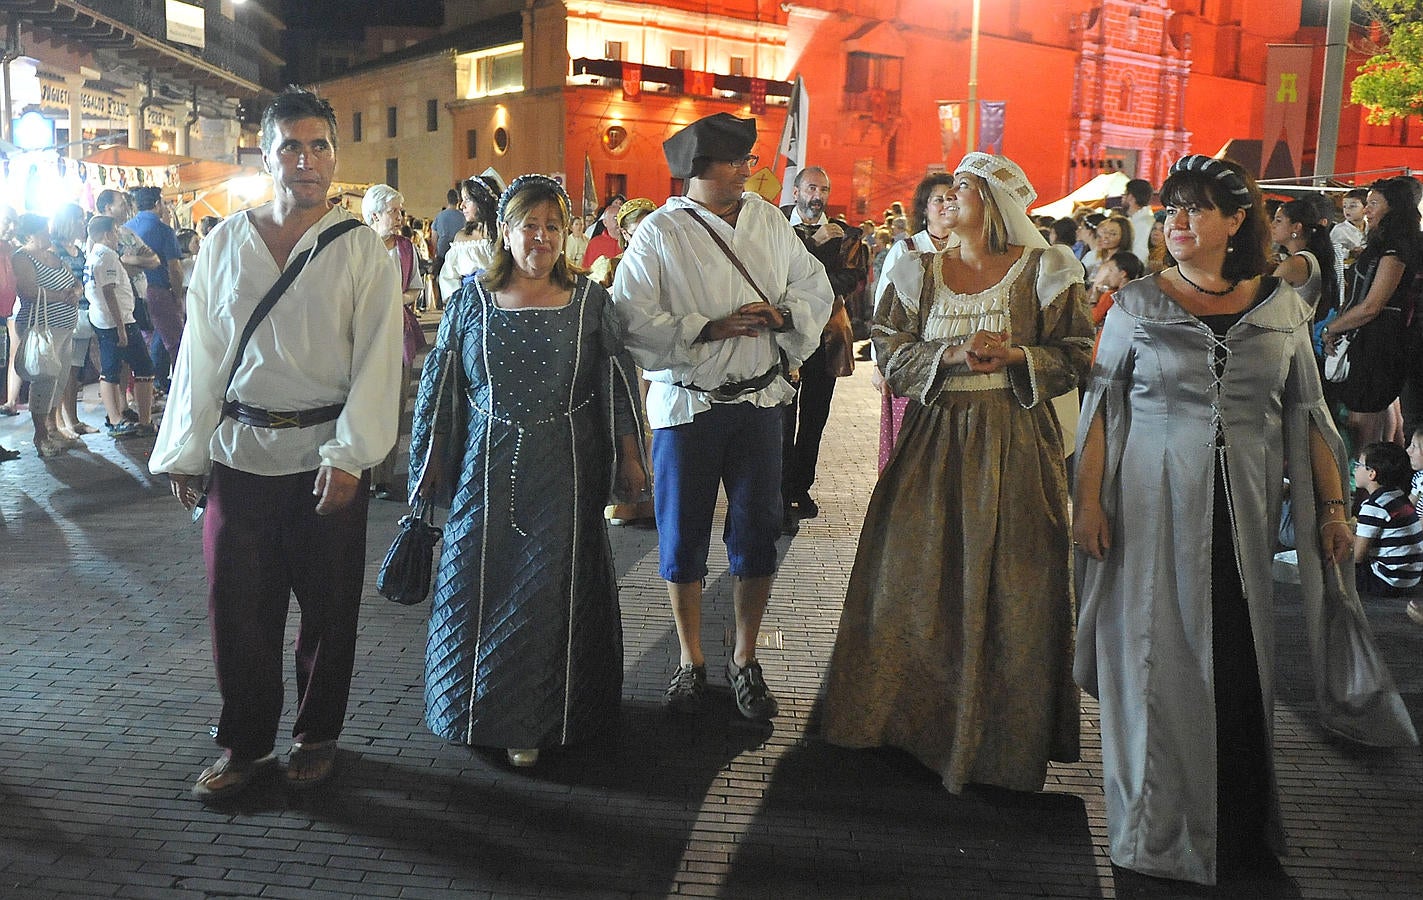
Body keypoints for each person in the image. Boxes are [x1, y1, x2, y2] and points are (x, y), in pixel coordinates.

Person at [1073, 155, 1416, 885]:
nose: (1176, 223)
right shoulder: (1135, 303)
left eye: (1195, 209)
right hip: (1146, 508)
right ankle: (1155, 825)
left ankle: (1233, 820)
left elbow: (1307, 412)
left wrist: (1331, 508)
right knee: (1155, 659)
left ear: (1236, 222)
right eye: (1169, 210)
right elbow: (1100, 409)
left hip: (1244, 513)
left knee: (1235, 657)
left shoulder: (1279, 306)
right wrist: (1086, 502)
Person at [150, 87, 402, 801]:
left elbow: (378, 360)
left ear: (334, 155)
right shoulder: (227, 240)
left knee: (327, 608)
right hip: (238, 452)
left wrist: (353, 454)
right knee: (238, 608)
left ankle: (316, 734)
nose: (306, 160)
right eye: (290, 146)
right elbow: (200, 353)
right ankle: (245, 742)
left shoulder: (360, 250)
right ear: (265, 154)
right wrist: (186, 449)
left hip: (324, 456)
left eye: (318, 145)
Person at [821, 152, 1091, 792]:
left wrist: (1015, 353)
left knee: (1011, 582)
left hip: (1015, 442)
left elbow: (1078, 352)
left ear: (996, 204)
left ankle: (998, 741)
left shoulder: (1045, 269)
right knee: (913, 573)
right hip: (933, 441)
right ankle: (904, 721)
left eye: (966, 188)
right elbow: (886, 345)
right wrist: (950, 354)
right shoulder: (917, 270)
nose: (951, 195)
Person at [410, 174, 647, 768]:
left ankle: (540, 721)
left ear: (565, 234)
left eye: (552, 227)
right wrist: (433, 458)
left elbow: (615, 387)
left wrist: (630, 455)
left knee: (548, 592)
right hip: (483, 470)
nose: (540, 239)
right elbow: (443, 385)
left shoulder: (592, 302)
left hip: (566, 470)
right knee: (476, 581)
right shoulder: (471, 299)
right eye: (529, 226)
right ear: (505, 231)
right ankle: (472, 708)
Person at [612, 112, 833, 721]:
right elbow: (630, 317)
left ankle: (744, 656)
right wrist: (707, 328)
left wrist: (783, 317)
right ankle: (690, 661)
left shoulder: (766, 220)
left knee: (758, 531)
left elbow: (814, 286)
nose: (749, 170)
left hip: (761, 403)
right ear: (701, 168)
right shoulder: (658, 233)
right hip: (689, 408)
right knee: (682, 534)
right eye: (738, 161)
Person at [779, 166, 866, 531]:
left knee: (814, 418)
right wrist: (813, 247)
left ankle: (801, 487)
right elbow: (773, 272)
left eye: (824, 189)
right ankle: (779, 492)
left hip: (827, 338)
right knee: (782, 418)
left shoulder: (848, 235)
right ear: (796, 192)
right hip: (784, 336)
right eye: (811, 187)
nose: (818, 195)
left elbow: (850, 279)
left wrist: (805, 281)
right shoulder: (775, 226)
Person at [1322, 177, 1423, 444]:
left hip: (1378, 343)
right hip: (1370, 339)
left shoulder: (1395, 248)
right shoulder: (1385, 244)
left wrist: (1332, 328)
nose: (1367, 210)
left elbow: (1372, 305)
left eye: (1374, 203)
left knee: (1365, 420)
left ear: (1394, 209)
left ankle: (1370, 479)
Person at [874, 174, 957, 471]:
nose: (947, 204)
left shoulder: (970, 248)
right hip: (912, 361)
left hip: (956, 362)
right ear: (924, 208)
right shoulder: (907, 249)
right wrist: (880, 365)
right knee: (909, 446)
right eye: (939, 199)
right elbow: (883, 313)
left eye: (952, 198)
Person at [589, 197, 658, 528]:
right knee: (630, 421)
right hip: (624, 358)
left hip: (657, 359)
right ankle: (629, 495)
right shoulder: (611, 265)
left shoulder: (669, 266)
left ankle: (654, 497)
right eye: (637, 226)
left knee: (656, 426)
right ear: (626, 232)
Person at [362, 184, 426, 501]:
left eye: (400, 211)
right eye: (394, 211)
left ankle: (383, 477)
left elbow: (416, 288)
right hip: (364, 336)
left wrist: (400, 298)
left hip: (397, 334)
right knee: (365, 404)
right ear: (374, 215)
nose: (400, 217)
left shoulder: (405, 248)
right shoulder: (358, 247)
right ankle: (362, 471)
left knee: (393, 406)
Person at [11, 213, 82, 457]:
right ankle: (40, 434)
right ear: (29, 234)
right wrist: (63, 296)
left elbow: (74, 280)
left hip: (64, 327)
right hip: (41, 328)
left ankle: (53, 427)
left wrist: (76, 290)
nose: (48, 234)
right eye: (43, 230)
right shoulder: (22, 258)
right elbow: (29, 291)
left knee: (59, 377)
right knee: (45, 378)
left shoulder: (53, 256)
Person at [83, 216, 156, 439]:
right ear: (106, 234)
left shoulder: (96, 255)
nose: (117, 237)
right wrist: (121, 326)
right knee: (132, 369)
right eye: (115, 232)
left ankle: (134, 418)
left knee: (116, 369)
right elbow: (109, 292)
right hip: (117, 322)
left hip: (109, 321)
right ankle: (120, 419)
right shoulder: (106, 256)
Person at [125, 186, 185, 393]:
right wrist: (177, 295)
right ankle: (181, 386)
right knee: (175, 341)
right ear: (158, 204)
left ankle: (155, 383)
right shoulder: (163, 230)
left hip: (131, 293)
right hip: (159, 290)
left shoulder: (125, 229)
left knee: (151, 338)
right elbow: (175, 268)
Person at [1352, 441, 1423, 597]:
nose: (1355, 469)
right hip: (1410, 579)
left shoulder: (1374, 506)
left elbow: (1357, 556)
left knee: (1335, 561)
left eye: (1359, 465)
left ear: (1372, 474)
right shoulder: (1398, 496)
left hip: (1386, 581)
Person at [437, 172, 502, 303]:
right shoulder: (462, 239)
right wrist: (458, 302)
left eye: (467, 199)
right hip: (469, 304)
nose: (462, 206)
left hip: (500, 302)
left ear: (482, 200)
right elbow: (449, 276)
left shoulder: (504, 236)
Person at [1271, 197, 1338, 318]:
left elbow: (1264, 300)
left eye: (1278, 221)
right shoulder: (1305, 258)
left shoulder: (1296, 263)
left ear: (1296, 227)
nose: (1273, 225)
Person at [430, 188, 465, 308]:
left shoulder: (440, 216)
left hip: (443, 249)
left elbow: (434, 236)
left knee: (440, 276)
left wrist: (435, 251)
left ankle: (440, 302)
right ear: (458, 200)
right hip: (458, 251)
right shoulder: (462, 216)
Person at [1331, 187, 1368, 277]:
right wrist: (1350, 253)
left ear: (1365, 208)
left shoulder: (1371, 227)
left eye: (1353, 206)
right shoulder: (1339, 230)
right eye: (1344, 206)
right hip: (1346, 272)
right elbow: (1333, 252)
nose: (1347, 209)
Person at [581, 194, 625, 269]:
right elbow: (587, 271)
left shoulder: (631, 242)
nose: (619, 221)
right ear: (605, 222)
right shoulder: (595, 243)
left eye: (622, 218)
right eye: (615, 218)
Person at [1122, 177, 1155, 261]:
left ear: (1130, 197)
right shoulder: (1135, 220)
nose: (1122, 198)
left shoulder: (1144, 223)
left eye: (1124, 194)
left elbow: (1141, 254)